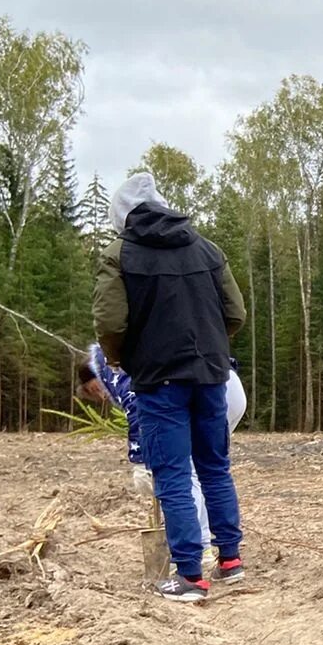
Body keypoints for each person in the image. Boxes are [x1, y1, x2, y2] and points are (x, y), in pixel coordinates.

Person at [93, 173, 247, 603]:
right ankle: (230, 560)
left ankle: (190, 577)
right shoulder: (206, 248)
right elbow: (235, 312)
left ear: (120, 215)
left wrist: (123, 359)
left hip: (159, 379)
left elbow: (110, 322)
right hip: (211, 374)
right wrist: (210, 348)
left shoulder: (119, 254)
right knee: (214, 466)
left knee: (174, 474)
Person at [78, 344, 248, 551]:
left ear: (91, 372)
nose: (101, 395)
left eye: (94, 389)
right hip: (225, 383)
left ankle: (196, 548)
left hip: (204, 388)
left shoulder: (109, 363)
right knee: (207, 468)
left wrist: (140, 459)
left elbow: (135, 404)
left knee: (187, 473)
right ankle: (225, 551)